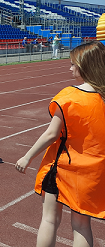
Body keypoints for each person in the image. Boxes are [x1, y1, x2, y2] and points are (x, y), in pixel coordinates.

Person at [15, 41, 105, 247]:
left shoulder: (69, 96)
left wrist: (27, 156)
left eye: (73, 64)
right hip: (94, 172)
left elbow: (51, 134)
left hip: (63, 166)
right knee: (82, 225)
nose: (70, 68)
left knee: (49, 219)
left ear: (84, 65)